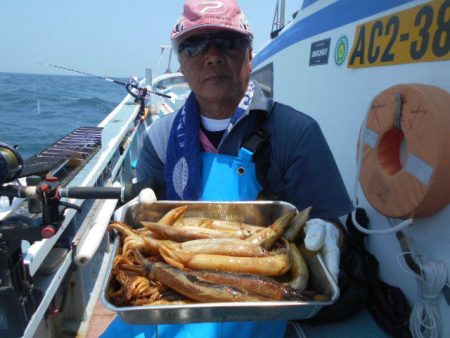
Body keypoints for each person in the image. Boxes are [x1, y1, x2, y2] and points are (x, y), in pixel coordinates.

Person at [103, 0, 354, 337]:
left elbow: (331, 222)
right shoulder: (161, 137)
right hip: (170, 309)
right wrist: (140, 207)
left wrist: (328, 234)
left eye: (228, 42)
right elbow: (149, 234)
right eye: (194, 45)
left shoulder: (296, 133)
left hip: (259, 316)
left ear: (250, 54)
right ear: (181, 61)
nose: (213, 55)